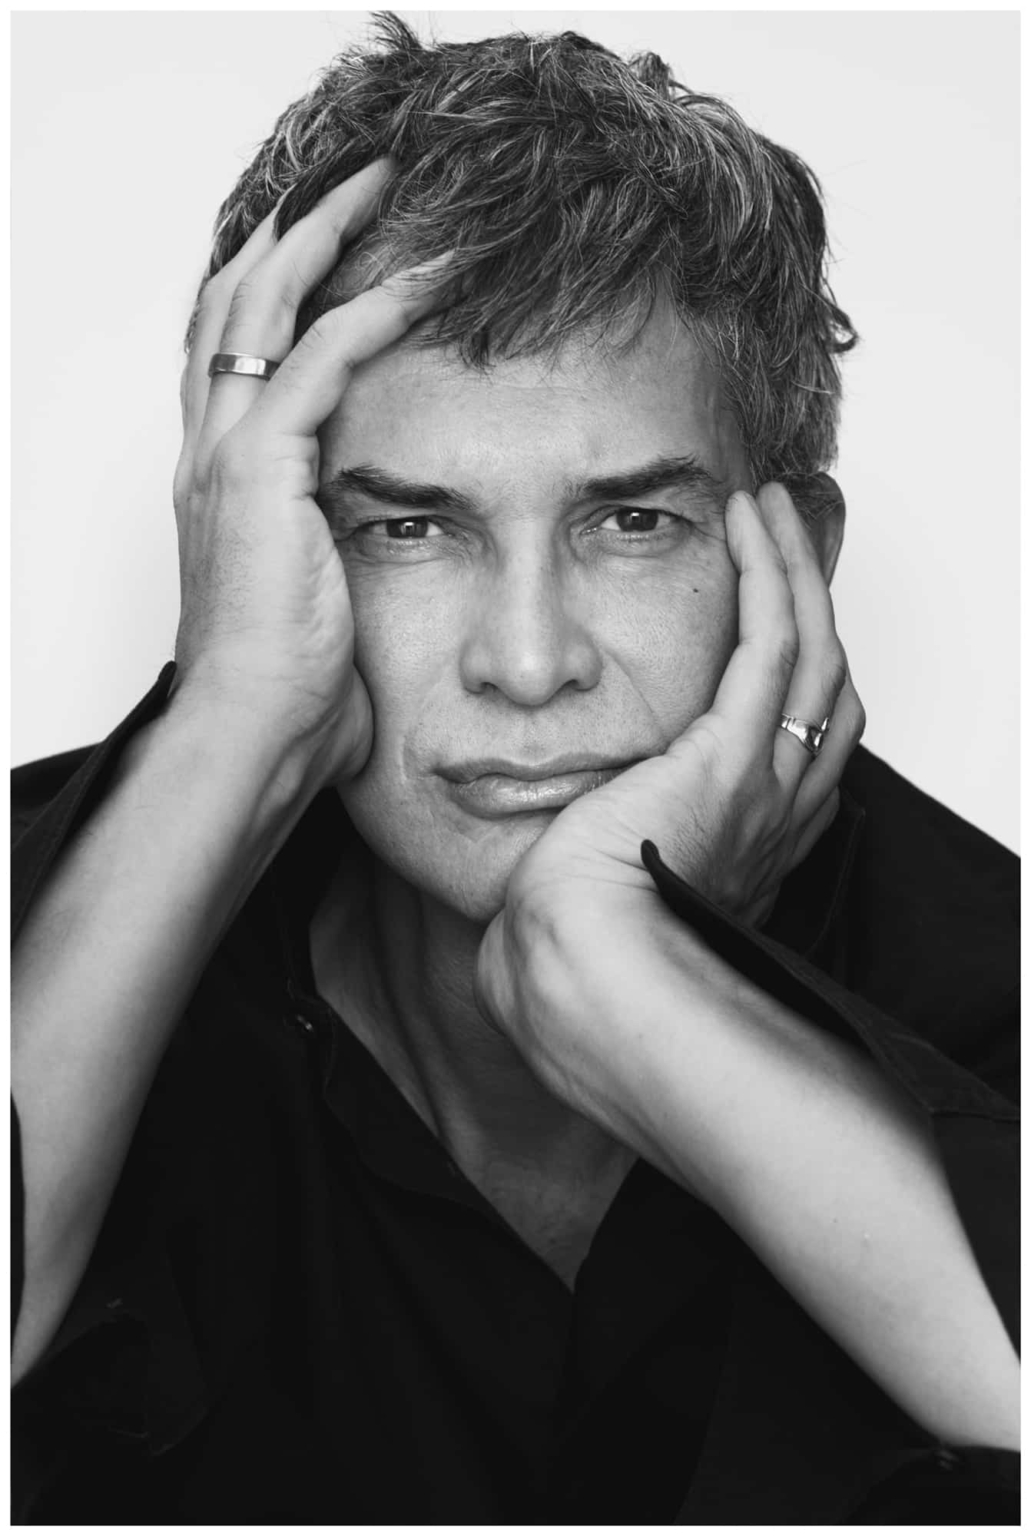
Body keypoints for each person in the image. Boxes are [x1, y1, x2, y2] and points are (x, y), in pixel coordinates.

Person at [11, 15, 1018, 1524]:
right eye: (409, 527)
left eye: (632, 523)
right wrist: (230, 714)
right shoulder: (51, 921)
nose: (530, 662)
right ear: (261, 541)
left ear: (794, 560)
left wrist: (606, 961)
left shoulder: (996, 981)